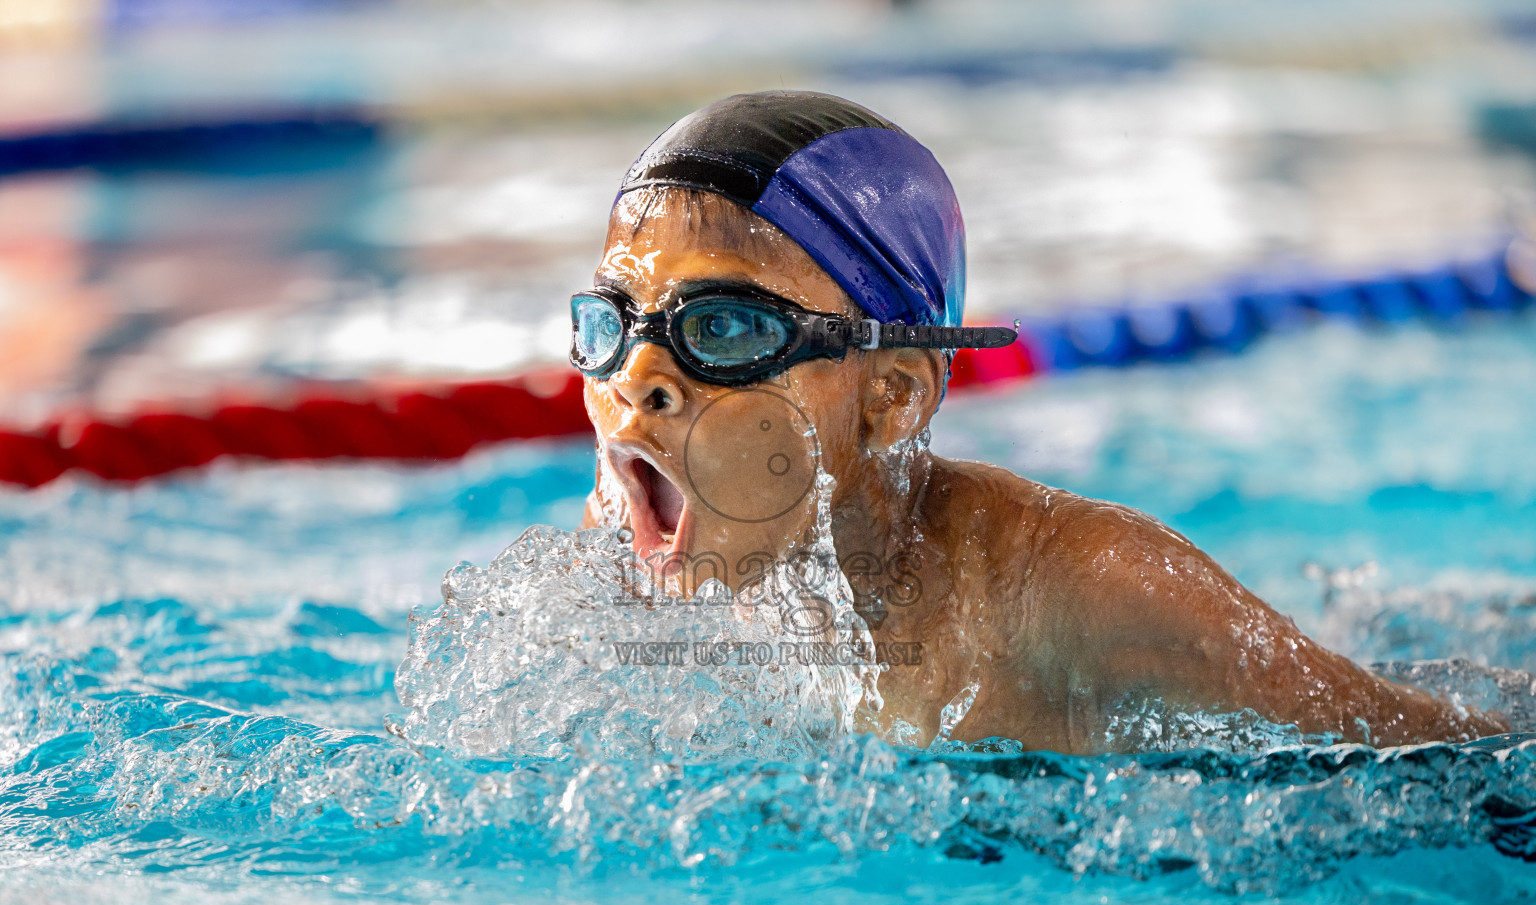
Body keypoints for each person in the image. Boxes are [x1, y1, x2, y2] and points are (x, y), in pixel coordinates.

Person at [575, 90, 1507, 751]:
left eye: (726, 327)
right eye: (614, 322)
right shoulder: (638, 539)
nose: (641, 377)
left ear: (893, 395)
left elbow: (1452, 761)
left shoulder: (1080, 592)